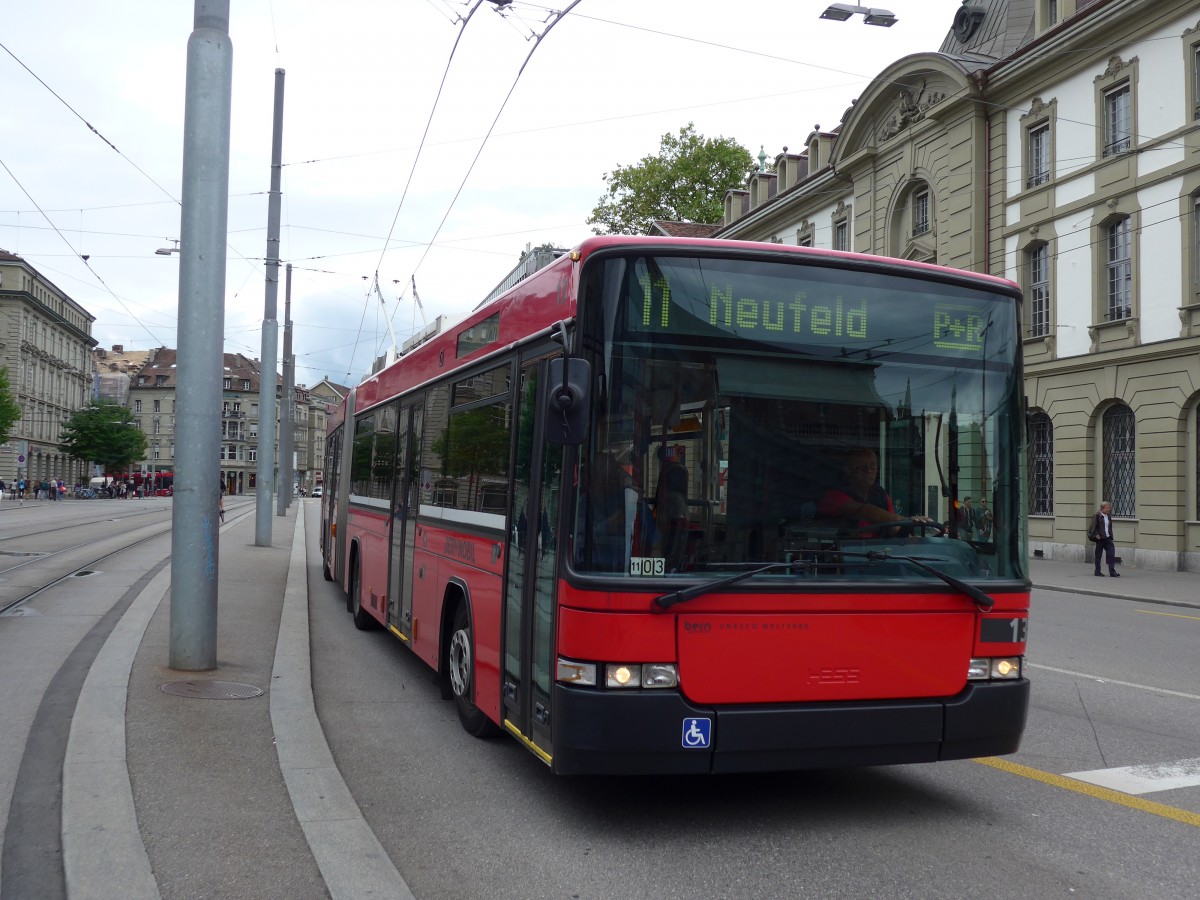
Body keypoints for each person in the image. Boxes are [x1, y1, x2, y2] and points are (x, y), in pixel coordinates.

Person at [818, 447, 938, 537]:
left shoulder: (879, 493)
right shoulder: (833, 495)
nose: (869, 471)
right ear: (848, 471)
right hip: (846, 558)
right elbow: (862, 511)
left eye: (873, 466)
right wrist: (903, 520)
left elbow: (894, 528)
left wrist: (921, 537)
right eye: (862, 467)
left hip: (881, 556)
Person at [1091, 500, 1120, 577]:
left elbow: (1108, 527)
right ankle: (1097, 571)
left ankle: (1112, 572)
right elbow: (1093, 527)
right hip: (1100, 539)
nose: (1109, 509)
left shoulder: (1108, 516)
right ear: (1102, 508)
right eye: (1107, 508)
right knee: (1098, 556)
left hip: (1107, 538)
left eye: (1109, 508)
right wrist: (1097, 534)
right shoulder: (1097, 516)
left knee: (1111, 554)